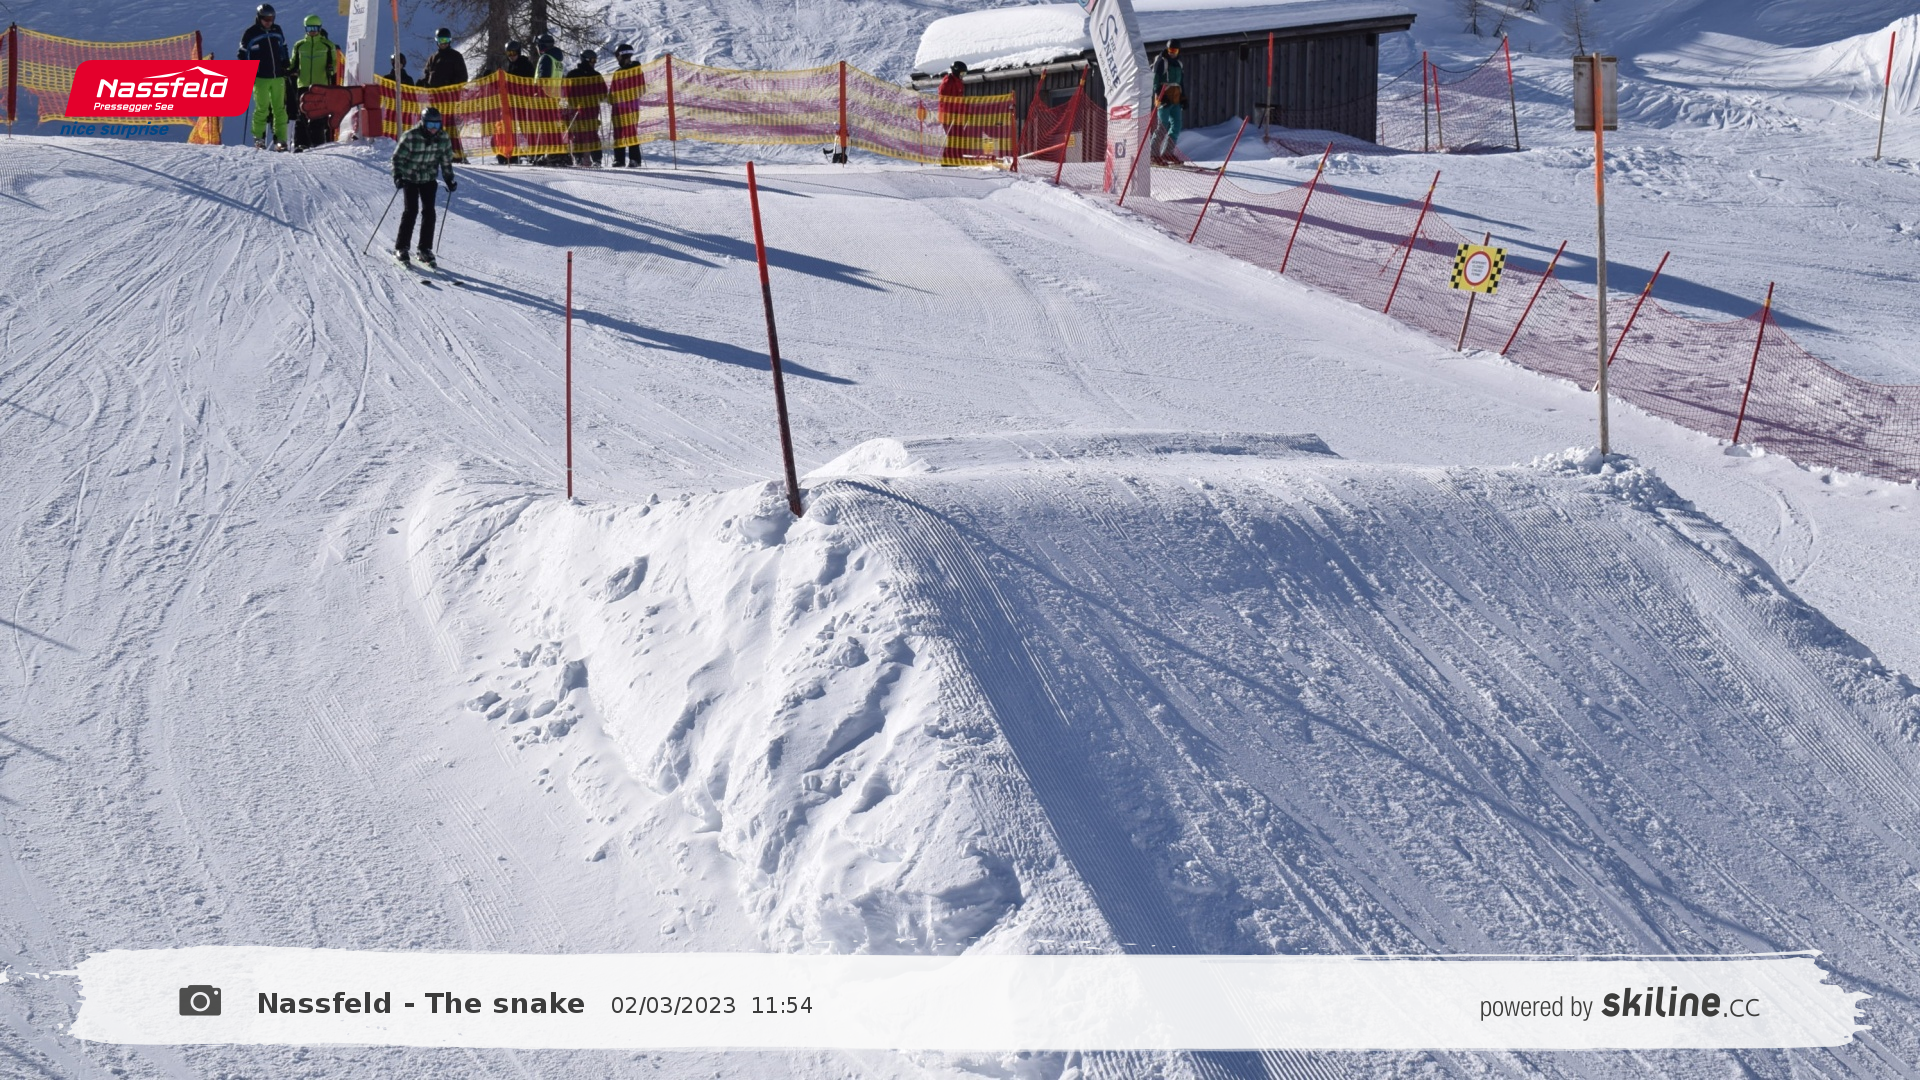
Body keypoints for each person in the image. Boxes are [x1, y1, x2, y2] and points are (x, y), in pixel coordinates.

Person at [391, 106, 457, 267]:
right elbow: (397, 158)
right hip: (410, 178)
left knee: (429, 212)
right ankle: (401, 247)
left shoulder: (443, 138)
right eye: (430, 125)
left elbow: (446, 160)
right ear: (423, 123)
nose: (434, 128)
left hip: (428, 179)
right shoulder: (410, 136)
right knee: (411, 211)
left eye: (437, 125)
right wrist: (397, 176)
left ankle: (424, 249)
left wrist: (449, 179)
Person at [238, 4, 292, 150]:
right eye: (265, 19)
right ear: (259, 18)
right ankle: (259, 138)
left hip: (278, 76)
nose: (269, 22)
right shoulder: (251, 33)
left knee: (280, 109)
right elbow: (242, 53)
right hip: (260, 77)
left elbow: (283, 47)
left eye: (271, 18)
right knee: (262, 109)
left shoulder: (277, 30)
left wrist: (285, 62)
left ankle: (281, 139)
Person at [290, 15, 341, 150]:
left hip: (320, 85)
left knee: (317, 115)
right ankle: (301, 144)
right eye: (309, 28)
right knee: (302, 115)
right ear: (305, 29)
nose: (312, 31)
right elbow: (293, 62)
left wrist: (331, 68)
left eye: (315, 28)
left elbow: (335, 63)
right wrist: (289, 69)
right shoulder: (299, 45)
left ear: (319, 28)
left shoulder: (327, 45)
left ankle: (317, 143)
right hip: (303, 84)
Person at [421, 28, 469, 161]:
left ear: (450, 41)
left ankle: (456, 155)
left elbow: (463, 77)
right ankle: (437, 153)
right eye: (441, 40)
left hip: (449, 99)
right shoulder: (433, 58)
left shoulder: (455, 56)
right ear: (436, 41)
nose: (443, 43)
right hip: (435, 100)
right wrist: (423, 83)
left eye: (446, 40)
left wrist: (451, 86)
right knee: (434, 125)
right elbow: (427, 75)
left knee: (449, 125)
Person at [564, 50, 608, 167]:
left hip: (591, 109)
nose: (594, 63)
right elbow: (566, 91)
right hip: (578, 109)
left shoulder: (596, 75)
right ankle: (579, 158)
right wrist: (571, 102)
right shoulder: (574, 74)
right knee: (578, 133)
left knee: (591, 133)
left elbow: (603, 93)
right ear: (585, 60)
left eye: (595, 60)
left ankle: (596, 159)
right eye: (592, 60)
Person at [495, 40, 536, 164]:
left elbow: (529, 82)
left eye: (513, 53)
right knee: (509, 127)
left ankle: (535, 152)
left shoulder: (525, 64)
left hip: (523, 102)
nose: (511, 56)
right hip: (512, 102)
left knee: (526, 127)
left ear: (518, 52)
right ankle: (510, 153)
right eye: (509, 53)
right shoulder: (510, 65)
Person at [1152, 40, 1185, 163]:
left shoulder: (1179, 64)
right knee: (1162, 127)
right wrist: (1160, 95)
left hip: (1175, 98)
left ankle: (1167, 153)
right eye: (1170, 50)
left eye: (1175, 51)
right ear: (1167, 49)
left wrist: (1183, 97)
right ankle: (1153, 154)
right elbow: (1155, 80)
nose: (1172, 53)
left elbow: (1181, 82)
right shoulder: (1162, 62)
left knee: (1176, 126)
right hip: (1164, 98)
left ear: (1178, 51)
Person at [610, 43, 642, 167]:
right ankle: (619, 159)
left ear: (623, 56)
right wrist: (610, 98)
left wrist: (628, 95)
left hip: (630, 108)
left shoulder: (636, 70)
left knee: (630, 132)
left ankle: (635, 159)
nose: (617, 59)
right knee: (618, 133)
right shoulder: (617, 73)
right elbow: (612, 91)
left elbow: (641, 88)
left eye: (618, 56)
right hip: (618, 108)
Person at [937, 60, 968, 166]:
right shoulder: (947, 82)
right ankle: (947, 160)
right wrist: (952, 112)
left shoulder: (959, 82)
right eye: (962, 73)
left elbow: (960, 99)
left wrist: (964, 111)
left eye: (964, 74)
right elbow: (944, 100)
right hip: (948, 115)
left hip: (957, 115)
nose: (963, 76)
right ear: (956, 71)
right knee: (952, 137)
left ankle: (957, 158)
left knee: (959, 136)